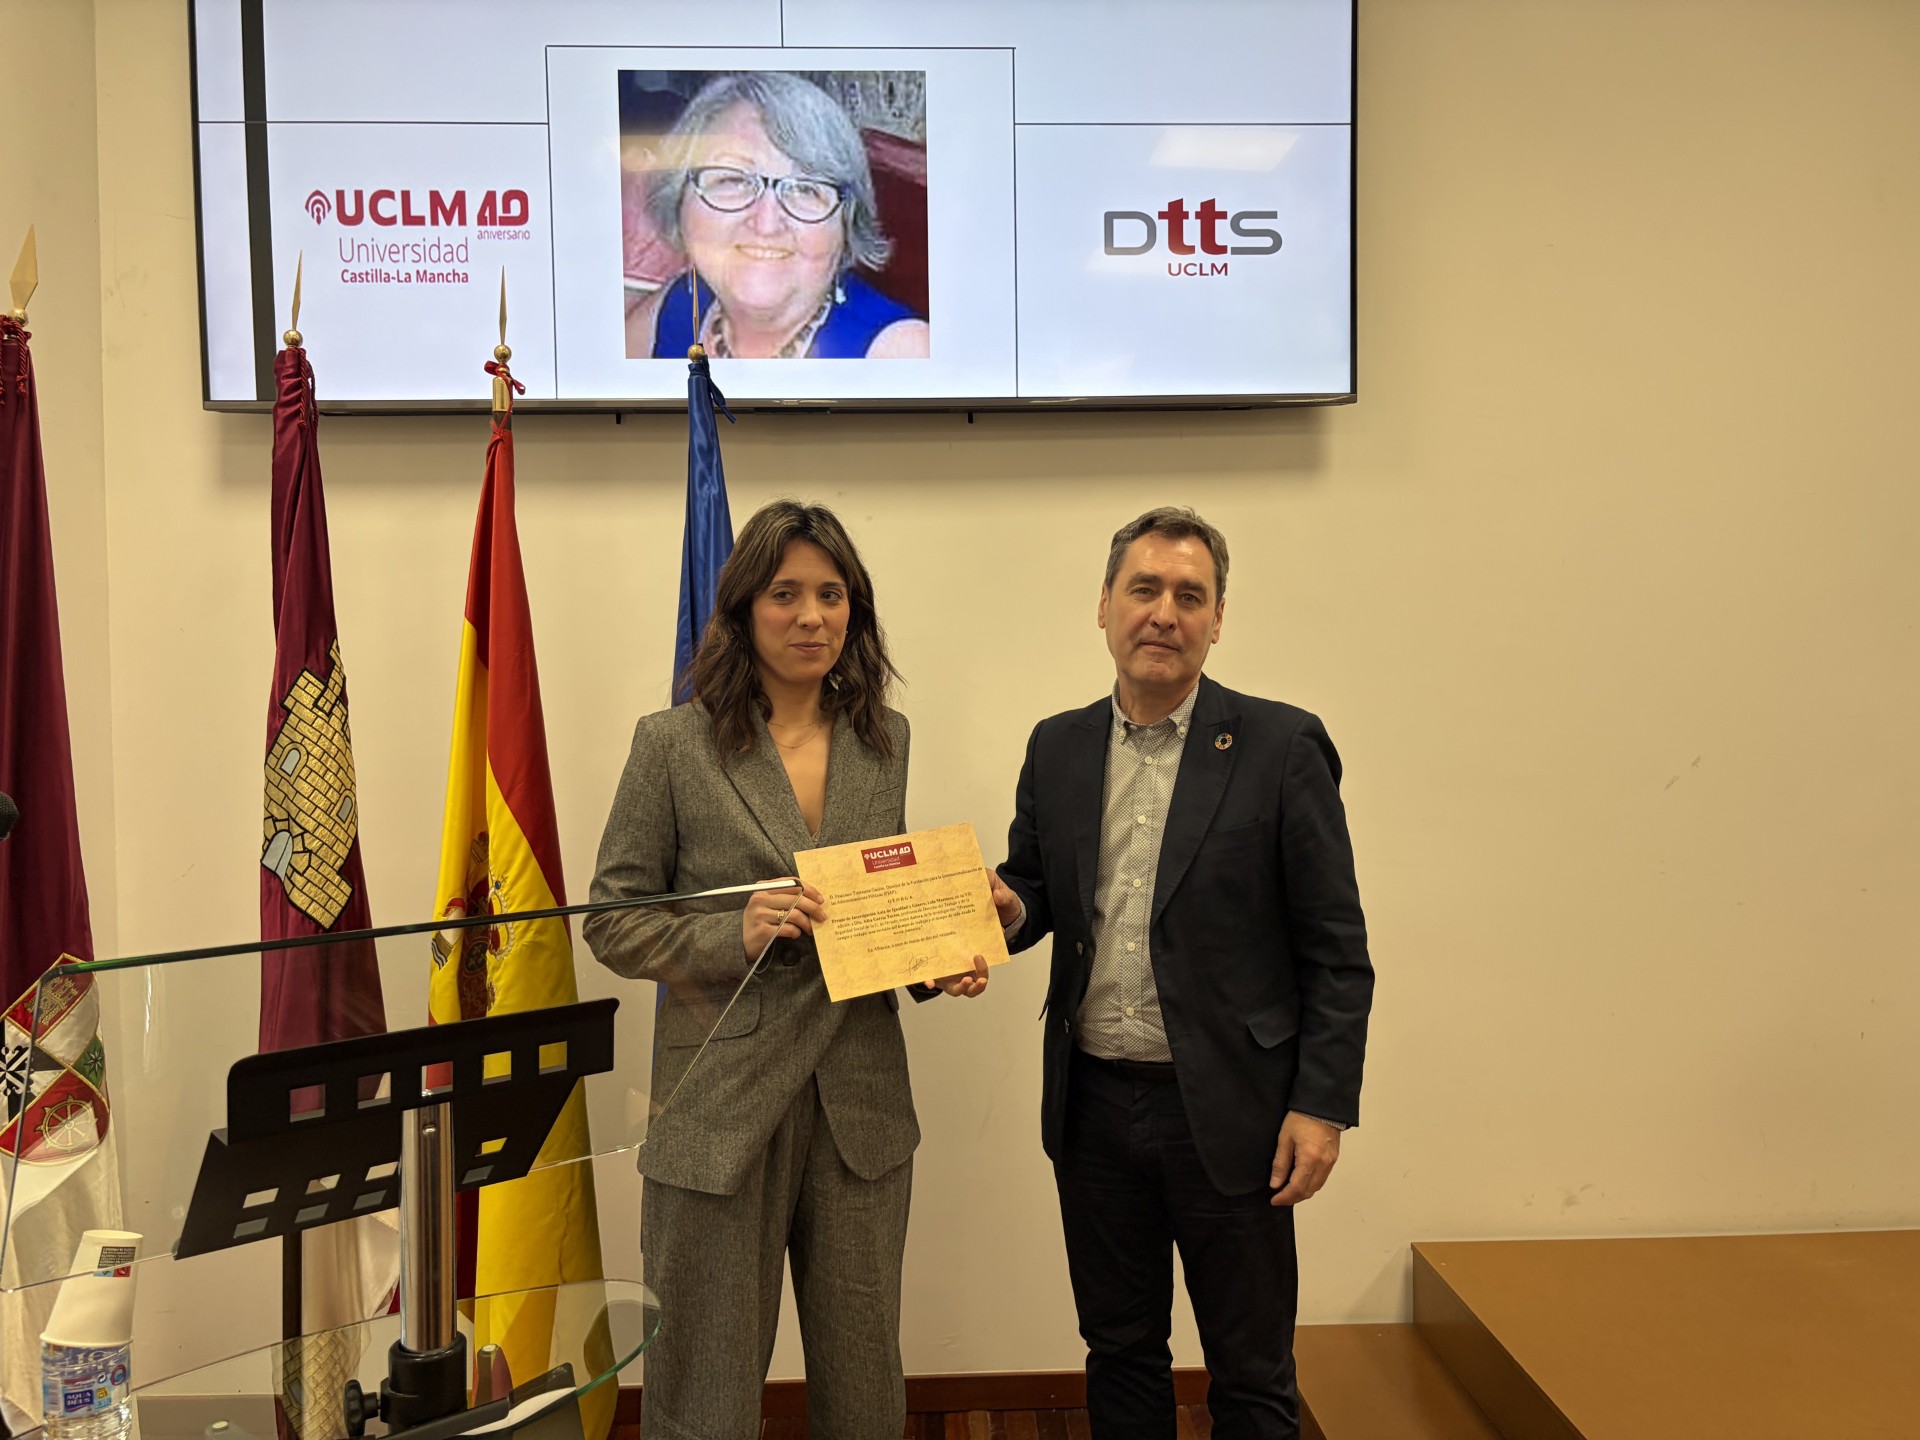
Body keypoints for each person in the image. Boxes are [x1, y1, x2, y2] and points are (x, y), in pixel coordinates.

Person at [581, 500, 984, 1439]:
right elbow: (611, 919)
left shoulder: (887, 740)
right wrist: (734, 933)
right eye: (786, 594)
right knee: (704, 1392)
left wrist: (938, 960)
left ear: (855, 611)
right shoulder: (671, 744)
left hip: (860, 1105)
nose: (812, 616)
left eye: (831, 595)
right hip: (719, 1105)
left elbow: (876, 908)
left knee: (865, 1385)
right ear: (743, 610)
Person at [985, 507, 1375, 1439]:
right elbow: (1035, 888)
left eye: (1189, 596)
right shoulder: (1056, 746)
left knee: (1251, 1371)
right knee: (1120, 1352)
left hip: (1233, 1113)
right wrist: (1002, 911)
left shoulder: (1282, 747)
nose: (1164, 613)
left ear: (1218, 618)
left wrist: (1321, 1106)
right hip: (1092, 1108)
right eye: (1144, 589)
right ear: (1104, 606)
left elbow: (1335, 949)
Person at [626, 72, 930, 360]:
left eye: (805, 189)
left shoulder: (900, 354)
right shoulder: (679, 303)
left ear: (847, 225)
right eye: (732, 179)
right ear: (679, 197)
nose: (766, 224)